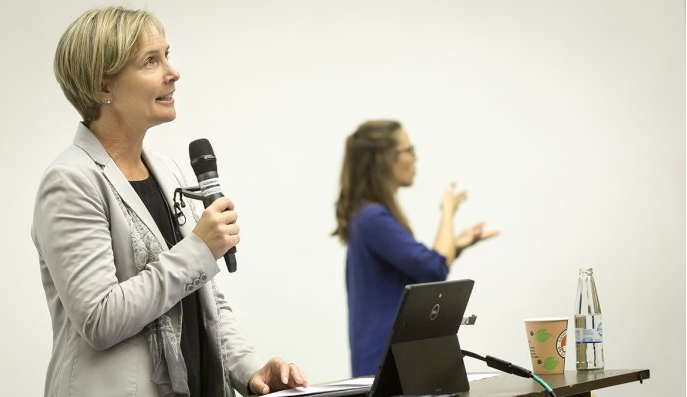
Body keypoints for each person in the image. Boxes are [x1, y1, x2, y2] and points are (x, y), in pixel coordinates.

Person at [32, 7, 307, 397]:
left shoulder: (168, 171)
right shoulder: (71, 181)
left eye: (167, 55)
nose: (173, 72)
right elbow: (99, 318)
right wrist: (199, 250)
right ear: (103, 88)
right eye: (150, 61)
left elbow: (204, 300)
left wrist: (249, 371)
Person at [332, 119, 499, 377]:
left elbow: (419, 269)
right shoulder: (372, 217)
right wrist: (448, 211)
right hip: (389, 364)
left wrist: (456, 246)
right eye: (409, 150)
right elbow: (434, 268)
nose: (415, 158)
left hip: (394, 361)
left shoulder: (368, 215)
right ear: (385, 159)